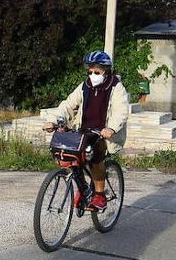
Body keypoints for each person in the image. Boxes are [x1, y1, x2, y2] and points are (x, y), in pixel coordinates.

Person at [43, 50, 129, 210]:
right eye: (90, 71)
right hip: (83, 130)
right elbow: (68, 105)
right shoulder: (85, 86)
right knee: (72, 154)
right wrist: (53, 121)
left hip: (104, 133)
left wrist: (110, 128)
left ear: (106, 71)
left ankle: (99, 195)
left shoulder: (116, 87)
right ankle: (83, 189)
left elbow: (121, 110)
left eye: (97, 71)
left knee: (96, 155)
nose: (93, 74)